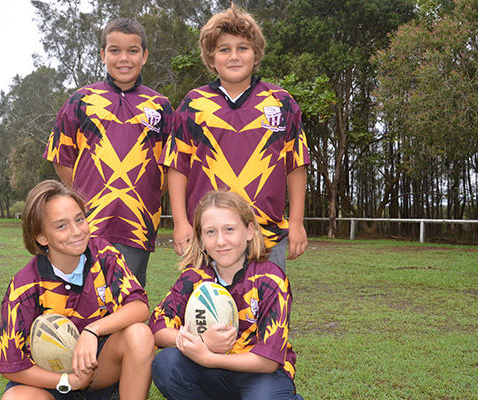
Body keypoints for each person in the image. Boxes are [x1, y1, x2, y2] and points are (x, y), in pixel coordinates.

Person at [160, 4, 310, 271]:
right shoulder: (193, 104)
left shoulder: (281, 102)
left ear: (256, 54)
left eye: (242, 48)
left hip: (266, 238)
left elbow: (296, 165)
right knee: (206, 300)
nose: (234, 56)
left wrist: (296, 223)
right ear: (211, 58)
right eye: (224, 49)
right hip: (207, 239)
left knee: (267, 299)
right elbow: (177, 167)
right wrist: (181, 222)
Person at [43, 18, 173, 287]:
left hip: (137, 225)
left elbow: (169, 167)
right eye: (115, 50)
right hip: (88, 225)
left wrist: (146, 194)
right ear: (103, 54)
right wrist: (83, 197)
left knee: (128, 297)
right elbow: (61, 157)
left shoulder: (160, 106)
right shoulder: (81, 101)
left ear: (144, 56)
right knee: (85, 295)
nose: (123, 58)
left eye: (132, 50)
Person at [0, 180, 153, 400]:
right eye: (61, 226)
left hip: (97, 369)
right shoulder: (24, 286)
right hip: (49, 379)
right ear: (41, 237)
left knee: (139, 334)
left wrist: (92, 330)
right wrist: (67, 381)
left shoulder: (104, 255)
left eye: (79, 219)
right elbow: (10, 365)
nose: (77, 231)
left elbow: (139, 307)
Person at [149, 190, 302, 399]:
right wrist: (201, 342)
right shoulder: (194, 277)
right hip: (211, 373)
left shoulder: (270, 279)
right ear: (201, 238)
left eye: (229, 229)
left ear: (249, 231)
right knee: (167, 364)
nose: (220, 241)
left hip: (258, 374)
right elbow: (157, 325)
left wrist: (208, 357)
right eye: (210, 232)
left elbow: (268, 361)